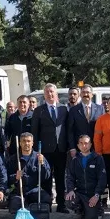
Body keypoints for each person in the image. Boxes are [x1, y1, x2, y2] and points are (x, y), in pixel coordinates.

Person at [31, 83, 69, 211]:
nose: (50, 94)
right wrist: (36, 150)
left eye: (52, 91)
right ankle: (47, 202)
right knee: (46, 177)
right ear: (44, 95)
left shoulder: (64, 109)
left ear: (56, 93)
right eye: (47, 92)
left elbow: (67, 129)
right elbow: (34, 132)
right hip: (45, 150)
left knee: (60, 177)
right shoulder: (39, 110)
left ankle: (61, 204)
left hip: (61, 148)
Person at [6, 132, 51, 214]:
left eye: (28, 141)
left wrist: (43, 164)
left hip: (34, 189)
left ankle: (31, 207)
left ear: (32, 143)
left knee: (46, 199)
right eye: (24, 141)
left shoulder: (39, 157)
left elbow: (46, 176)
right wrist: (15, 177)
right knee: (14, 205)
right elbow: (6, 178)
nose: (26, 143)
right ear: (20, 143)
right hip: (19, 190)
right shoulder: (14, 159)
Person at [66, 135, 107, 219]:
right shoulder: (74, 160)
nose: (84, 146)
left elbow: (102, 179)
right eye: (81, 143)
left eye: (86, 143)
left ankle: (98, 210)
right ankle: (80, 211)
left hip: (93, 195)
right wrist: (70, 190)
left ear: (91, 145)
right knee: (69, 198)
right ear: (78, 145)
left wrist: (97, 195)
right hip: (80, 193)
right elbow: (70, 177)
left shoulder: (98, 159)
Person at [68, 85, 105, 158]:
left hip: (96, 147)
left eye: (87, 92)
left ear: (92, 94)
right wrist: (72, 148)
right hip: (79, 147)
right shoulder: (73, 110)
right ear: (80, 94)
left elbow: (103, 128)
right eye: (83, 92)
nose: (85, 94)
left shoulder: (100, 109)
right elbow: (70, 130)